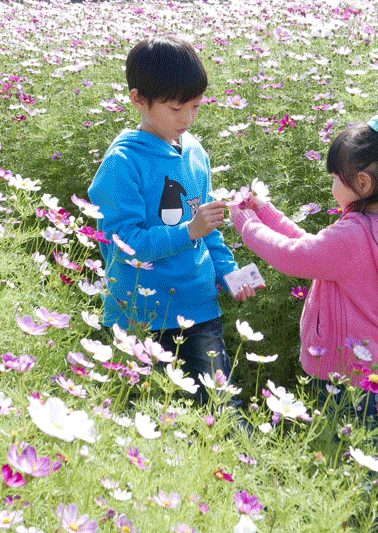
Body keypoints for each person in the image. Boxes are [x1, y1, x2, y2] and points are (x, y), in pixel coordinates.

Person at [229, 105, 378, 532]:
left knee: (364, 487)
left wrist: (247, 225)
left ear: (362, 183)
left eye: (336, 177)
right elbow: (315, 249)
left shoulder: (356, 234)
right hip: (375, 380)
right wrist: (266, 212)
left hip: (347, 386)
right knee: (361, 473)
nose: (332, 184)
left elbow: (295, 257)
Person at [87, 36, 256, 406]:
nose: (187, 118)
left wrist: (229, 273)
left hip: (198, 304)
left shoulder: (195, 152)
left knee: (218, 404)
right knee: (139, 410)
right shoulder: (123, 163)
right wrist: (187, 232)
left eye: (195, 106)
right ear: (138, 99)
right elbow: (121, 241)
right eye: (176, 107)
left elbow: (207, 226)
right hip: (140, 312)